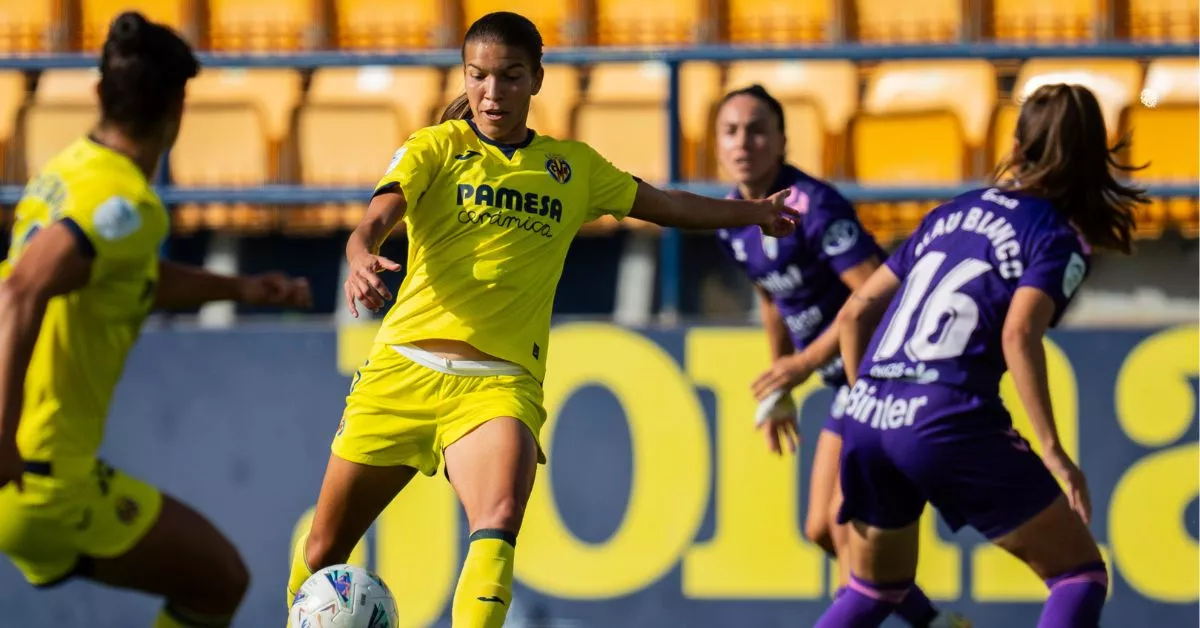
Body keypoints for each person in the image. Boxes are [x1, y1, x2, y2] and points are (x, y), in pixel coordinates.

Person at [285, 11, 803, 628]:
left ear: (536, 79)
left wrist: (750, 214)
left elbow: (664, 204)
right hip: (401, 372)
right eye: (478, 76)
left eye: (509, 77)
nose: (491, 93)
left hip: (497, 384)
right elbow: (372, 221)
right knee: (322, 554)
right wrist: (360, 256)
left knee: (499, 517)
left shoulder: (572, 168)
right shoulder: (436, 147)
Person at [0, 12, 313, 628]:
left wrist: (242, 287)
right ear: (178, 111)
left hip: (35, 469)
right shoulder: (127, 204)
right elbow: (19, 291)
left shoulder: (64, 172)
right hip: (39, 474)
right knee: (219, 582)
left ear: (98, 94)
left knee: (213, 580)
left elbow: (129, 277)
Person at [815, 82, 1145, 628]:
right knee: (1078, 576)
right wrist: (1054, 452)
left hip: (868, 413)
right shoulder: (1056, 239)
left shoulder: (950, 212)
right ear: (1093, 155)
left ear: (1016, 145)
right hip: (944, 416)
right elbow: (1020, 333)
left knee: (875, 591)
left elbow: (854, 315)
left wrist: (869, 401)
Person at [714, 84, 966, 628]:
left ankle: (925, 623)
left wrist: (802, 365)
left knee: (840, 520)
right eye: (730, 131)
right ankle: (934, 621)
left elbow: (873, 294)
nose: (744, 143)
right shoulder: (731, 216)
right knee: (822, 530)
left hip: (879, 370)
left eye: (757, 130)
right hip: (841, 379)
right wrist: (781, 385)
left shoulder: (815, 207)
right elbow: (770, 294)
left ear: (783, 140)